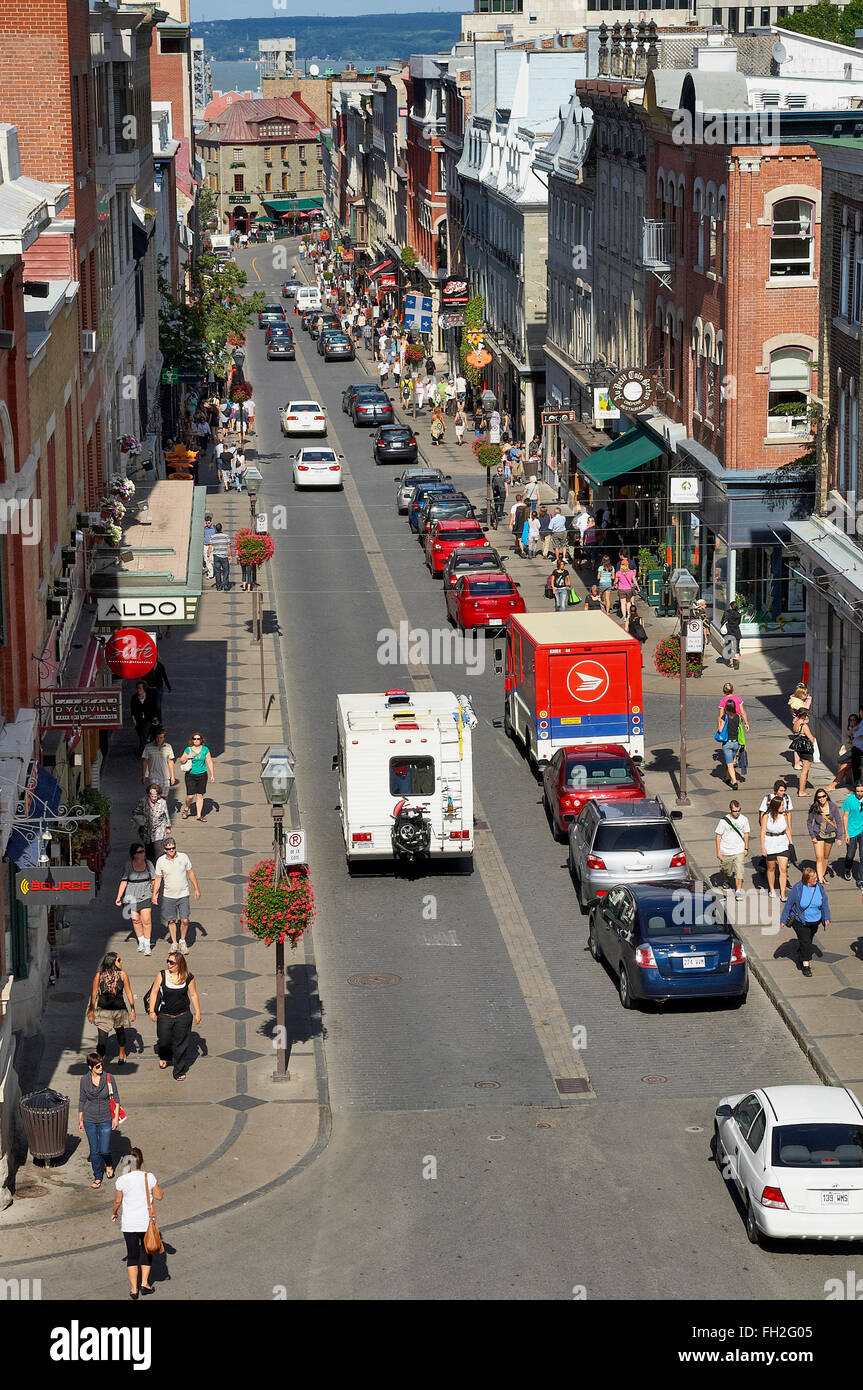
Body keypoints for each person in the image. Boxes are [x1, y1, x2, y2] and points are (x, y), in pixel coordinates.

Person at [112, 1147, 163, 1299]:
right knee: (147, 1252)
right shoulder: (149, 1177)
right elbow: (159, 1196)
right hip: (146, 1222)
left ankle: (134, 1290)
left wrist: (114, 1213)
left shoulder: (121, 1180)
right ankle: (145, 1284)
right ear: (141, 1161)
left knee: (132, 1255)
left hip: (129, 1223)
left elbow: (117, 1201)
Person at [148, 951, 202, 1081]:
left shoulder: (188, 977)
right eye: (167, 961)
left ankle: (178, 1070)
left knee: (181, 1045)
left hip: (183, 1016)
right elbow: (154, 993)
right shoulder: (162, 975)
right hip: (164, 1015)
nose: (168, 964)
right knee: (164, 1040)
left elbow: (193, 995)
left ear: (179, 964)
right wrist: (152, 1011)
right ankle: (164, 1056)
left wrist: (198, 1012)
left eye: (171, 962)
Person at [78, 1053, 120, 1188]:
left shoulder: (108, 1078)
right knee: (94, 1150)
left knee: (104, 1150)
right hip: (89, 1119)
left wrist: (115, 1118)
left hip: (105, 1118)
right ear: (90, 1067)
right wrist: (80, 1120)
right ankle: (97, 1176)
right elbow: (82, 1100)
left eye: (101, 1065)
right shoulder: (84, 1080)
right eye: (97, 1066)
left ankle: (108, 1163)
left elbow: (117, 1099)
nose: (101, 1068)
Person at [780, 867, 830, 977]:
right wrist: (783, 919)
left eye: (817, 877)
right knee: (806, 942)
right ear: (808, 879)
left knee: (808, 939)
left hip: (815, 920)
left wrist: (826, 917)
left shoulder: (819, 888)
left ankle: (802, 950)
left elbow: (824, 903)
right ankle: (805, 965)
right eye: (815, 878)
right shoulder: (798, 888)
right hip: (800, 921)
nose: (817, 879)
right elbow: (789, 904)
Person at [152, 839, 200, 952]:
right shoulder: (160, 861)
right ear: (165, 850)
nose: (172, 850)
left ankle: (182, 941)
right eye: (169, 849)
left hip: (183, 894)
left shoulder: (183, 857)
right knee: (171, 920)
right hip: (168, 896)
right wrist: (154, 894)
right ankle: (174, 943)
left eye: (173, 848)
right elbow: (158, 878)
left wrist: (196, 889)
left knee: (184, 920)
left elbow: (190, 872)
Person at [87, 952, 135, 1061]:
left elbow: (128, 992)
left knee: (120, 1032)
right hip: (103, 1011)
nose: (121, 962)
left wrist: (132, 1010)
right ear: (112, 962)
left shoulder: (123, 975)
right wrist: (91, 1012)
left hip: (119, 1010)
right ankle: (100, 1058)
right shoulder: (99, 976)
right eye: (119, 960)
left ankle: (122, 1053)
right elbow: (94, 994)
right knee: (102, 1037)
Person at [116, 844, 156, 956]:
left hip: (146, 894)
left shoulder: (149, 864)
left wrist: (154, 894)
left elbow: (154, 879)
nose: (142, 853)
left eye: (143, 851)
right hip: (131, 895)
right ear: (134, 854)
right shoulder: (129, 865)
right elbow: (124, 880)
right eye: (139, 852)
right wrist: (119, 897)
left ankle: (147, 945)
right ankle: (141, 941)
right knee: (136, 920)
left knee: (146, 920)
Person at [714, 799, 751, 898]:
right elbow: (718, 836)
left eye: (739, 810)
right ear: (730, 810)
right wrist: (718, 851)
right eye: (735, 811)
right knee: (726, 870)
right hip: (726, 850)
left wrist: (746, 848)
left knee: (740, 871)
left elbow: (746, 834)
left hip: (739, 849)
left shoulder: (744, 819)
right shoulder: (723, 821)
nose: (737, 813)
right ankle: (726, 880)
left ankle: (738, 891)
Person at [807, 790, 843, 884]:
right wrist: (812, 836)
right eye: (819, 797)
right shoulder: (815, 807)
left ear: (826, 796)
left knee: (826, 857)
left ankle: (821, 876)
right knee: (819, 857)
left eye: (823, 796)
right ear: (817, 798)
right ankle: (819, 879)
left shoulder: (832, 806)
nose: (822, 798)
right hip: (818, 834)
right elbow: (809, 822)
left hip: (830, 834)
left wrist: (839, 837)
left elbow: (838, 822)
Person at [761, 793, 792, 900]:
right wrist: (763, 847)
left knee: (783, 869)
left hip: (782, 842)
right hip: (770, 842)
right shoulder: (766, 816)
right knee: (771, 868)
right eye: (781, 805)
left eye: (784, 805)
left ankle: (783, 893)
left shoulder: (785, 815)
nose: (783, 807)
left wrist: (791, 843)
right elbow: (763, 832)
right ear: (775, 806)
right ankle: (772, 889)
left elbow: (787, 830)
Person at [179, 732, 215, 822]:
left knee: (200, 795)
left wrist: (212, 774)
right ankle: (187, 808)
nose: (196, 740)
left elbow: (209, 761)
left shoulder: (205, 749)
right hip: (190, 775)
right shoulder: (188, 749)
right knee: (190, 796)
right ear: (192, 740)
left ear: (201, 740)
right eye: (194, 739)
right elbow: (181, 760)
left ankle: (199, 815)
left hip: (202, 775)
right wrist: (188, 756)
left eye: (198, 739)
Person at [134, 784, 172, 867]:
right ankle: (151, 869)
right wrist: (143, 813)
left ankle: (159, 870)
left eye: (156, 796)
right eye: (152, 796)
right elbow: (135, 812)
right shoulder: (143, 801)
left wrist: (168, 827)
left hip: (159, 828)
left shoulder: (162, 802)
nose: (154, 798)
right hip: (146, 830)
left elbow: (166, 814)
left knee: (159, 851)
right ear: (149, 795)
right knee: (149, 851)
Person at [825, 714, 860, 792]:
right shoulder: (850, 729)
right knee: (844, 768)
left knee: (843, 768)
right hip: (850, 752)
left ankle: (833, 784)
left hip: (856, 753)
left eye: (854, 720)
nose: (852, 722)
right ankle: (834, 784)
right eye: (851, 720)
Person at [716, 697, 744, 788]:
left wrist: (719, 722)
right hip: (736, 743)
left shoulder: (725, 717)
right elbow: (739, 729)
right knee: (731, 762)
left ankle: (734, 782)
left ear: (726, 708)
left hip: (727, 743)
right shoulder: (738, 717)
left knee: (729, 764)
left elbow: (720, 729)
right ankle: (727, 779)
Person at [841, 780, 863, 890]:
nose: (859, 793)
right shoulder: (850, 800)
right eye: (857, 791)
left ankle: (860, 879)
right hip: (852, 831)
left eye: (861, 791)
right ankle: (847, 868)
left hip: (862, 830)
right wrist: (846, 833)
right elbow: (845, 816)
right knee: (850, 854)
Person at [141, 726, 175, 796]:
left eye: (161, 738)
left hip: (165, 776)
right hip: (153, 776)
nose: (159, 740)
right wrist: (144, 776)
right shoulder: (148, 747)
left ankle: (163, 807)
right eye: (157, 738)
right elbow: (145, 762)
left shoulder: (168, 747)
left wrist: (172, 776)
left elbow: (170, 762)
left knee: (164, 796)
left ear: (164, 738)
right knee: (154, 796)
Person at [790, 704, 815, 798]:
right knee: (805, 770)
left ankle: (802, 790)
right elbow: (811, 738)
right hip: (806, 750)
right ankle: (801, 791)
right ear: (804, 716)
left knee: (805, 769)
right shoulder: (804, 726)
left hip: (799, 749)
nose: (807, 717)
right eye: (807, 715)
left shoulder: (795, 724)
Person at [130, 681, 159, 757]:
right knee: (141, 735)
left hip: (148, 718)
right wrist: (134, 719)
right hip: (138, 719)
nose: (138, 690)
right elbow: (132, 709)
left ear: (144, 689)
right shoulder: (134, 697)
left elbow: (154, 708)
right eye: (137, 688)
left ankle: (143, 752)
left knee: (144, 734)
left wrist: (154, 718)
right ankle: (144, 748)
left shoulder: (149, 697)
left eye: (140, 688)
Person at [613, 557, 640, 625]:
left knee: (622, 603)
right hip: (629, 589)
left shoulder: (618, 573)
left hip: (621, 589)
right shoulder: (631, 572)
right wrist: (638, 587)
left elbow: (615, 581)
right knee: (628, 603)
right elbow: (634, 581)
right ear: (627, 565)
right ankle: (628, 615)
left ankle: (624, 616)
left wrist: (614, 583)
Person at [721, 599, 742, 670]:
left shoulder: (727, 613)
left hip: (728, 632)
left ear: (730, 606)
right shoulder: (738, 614)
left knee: (729, 648)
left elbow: (722, 621)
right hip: (736, 632)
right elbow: (738, 623)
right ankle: (736, 663)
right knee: (736, 648)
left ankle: (731, 663)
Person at [210, 523, 231, 591]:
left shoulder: (213, 537)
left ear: (216, 529)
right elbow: (228, 547)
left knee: (217, 571)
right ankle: (225, 584)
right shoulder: (226, 536)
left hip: (216, 556)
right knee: (226, 571)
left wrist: (208, 555)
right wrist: (230, 555)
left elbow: (210, 546)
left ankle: (218, 586)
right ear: (221, 528)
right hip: (224, 556)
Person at [203, 513, 215, 582]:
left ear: (211, 522)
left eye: (209, 523)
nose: (208, 524)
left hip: (212, 545)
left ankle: (212, 570)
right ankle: (211, 574)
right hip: (205, 545)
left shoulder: (214, 528)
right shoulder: (204, 528)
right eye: (206, 523)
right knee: (206, 559)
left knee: (212, 559)